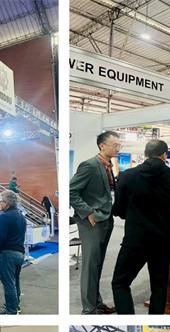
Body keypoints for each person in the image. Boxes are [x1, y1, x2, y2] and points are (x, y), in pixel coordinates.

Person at [110, 139, 170, 314]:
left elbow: (118, 208)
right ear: (165, 155)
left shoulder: (128, 176)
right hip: (162, 239)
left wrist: (133, 215)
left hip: (136, 238)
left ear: (144, 153)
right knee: (159, 285)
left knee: (120, 282)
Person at [69, 130, 121, 315]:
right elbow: (71, 191)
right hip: (92, 222)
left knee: (97, 264)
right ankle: (88, 310)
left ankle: (96, 303)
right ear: (102, 146)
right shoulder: (90, 165)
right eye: (115, 145)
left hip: (105, 218)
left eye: (119, 145)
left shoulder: (108, 166)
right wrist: (88, 213)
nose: (118, 148)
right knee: (90, 266)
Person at [0, 190, 27, 315]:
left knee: (8, 284)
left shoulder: (4, 216)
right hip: (19, 252)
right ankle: (16, 306)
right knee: (15, 281)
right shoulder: (20, 215)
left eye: (0, 201)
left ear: (6, 203)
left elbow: (0, 236)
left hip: (7, 253)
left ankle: (11, 311)